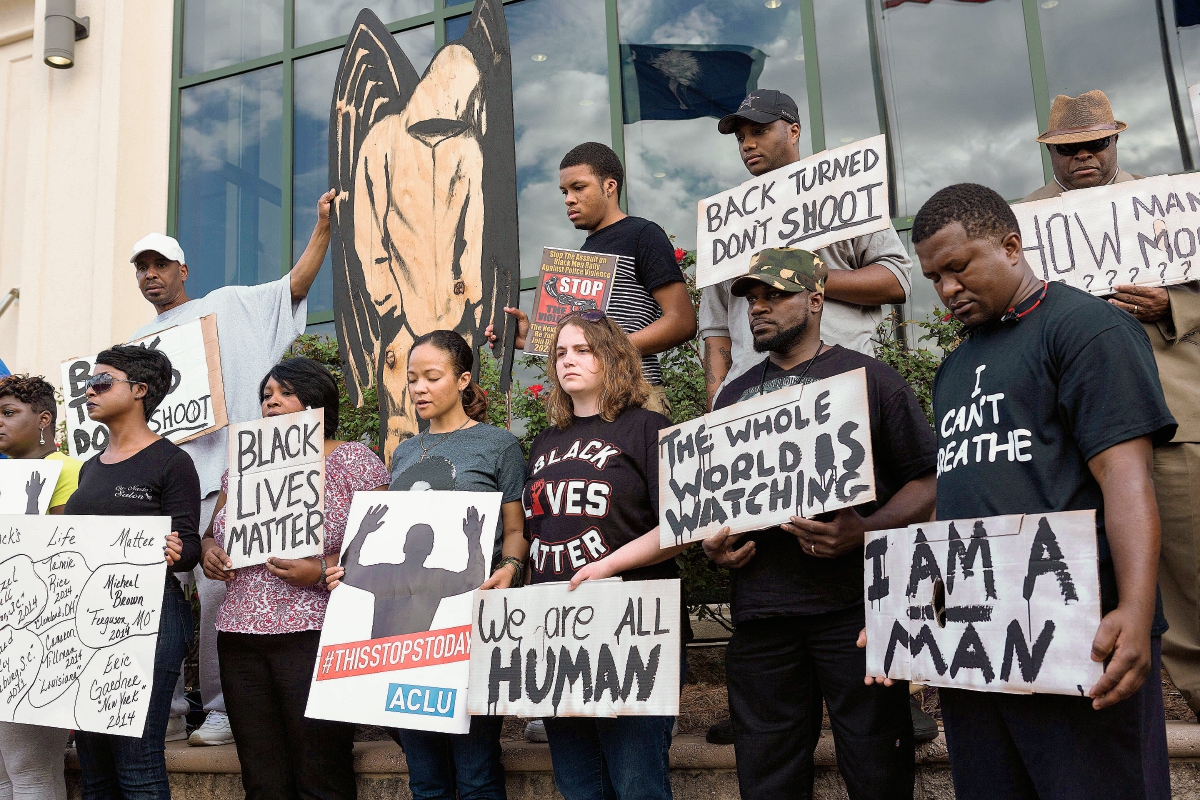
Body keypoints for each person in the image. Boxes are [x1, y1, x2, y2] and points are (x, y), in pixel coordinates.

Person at [905, 183, 1174, 798]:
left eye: (958, 267)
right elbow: (958, 502)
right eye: (934, 278)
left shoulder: (1087, 329)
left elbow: (1126, 478)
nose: (947, 290)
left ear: (1010, 246)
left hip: (1081, 632)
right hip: (982, 647)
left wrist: (1133, 609)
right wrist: (913, 608)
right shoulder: (954, 367)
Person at [699, 248, 934, 799]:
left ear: (816, 299)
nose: (759, 308)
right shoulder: (731, 396)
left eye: (775, 295)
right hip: (760, 617)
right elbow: (717, 505)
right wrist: (715, 546)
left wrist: (865, 529)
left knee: (879, 767)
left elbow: (929, 482)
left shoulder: (871, 378)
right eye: (752, 298)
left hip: (852, 611)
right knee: (767, 777)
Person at [128, 190, 335, 745]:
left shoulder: (226, 306)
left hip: (227, 480)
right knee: (150, 596)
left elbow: (294, 287)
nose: (150, 275)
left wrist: (321, 230)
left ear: (182, 270)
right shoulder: (131, 349)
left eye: (159, 265)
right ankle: (163, 709)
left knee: (222, 592)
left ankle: (218, 709)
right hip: (157, 492)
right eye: (141, 268)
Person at [1023, 89, 1200, 720]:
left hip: (1171, 422)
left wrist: (1172, 305)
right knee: (1088, 581)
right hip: (1074, 433)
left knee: (1191, 586)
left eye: (1095, 144)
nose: (1083, 158)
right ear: (1052, 154)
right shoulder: (1026, 227)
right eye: (1068, 150)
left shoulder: (1166, 204)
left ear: (1115, 142)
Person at [330, 329, 527, 800]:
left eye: (431, 377)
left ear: (462, 380)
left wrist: (511, 568)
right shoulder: (403, 452)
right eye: (411, 378)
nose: (418, 388)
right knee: (425, 778)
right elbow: (387, 539)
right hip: (402, 644)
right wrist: (348, 569)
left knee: (476, 771)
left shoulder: (498, 445)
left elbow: (516, 529)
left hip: (468, 626)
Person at [199, 357, 388, 800]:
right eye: (266, 397)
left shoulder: (352, 459)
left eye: (284, 393)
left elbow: (382, 549)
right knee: (262, 778)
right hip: (239, 635)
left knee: (319, 772)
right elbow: (212, 531)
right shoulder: (245, 462)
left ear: (316, 400)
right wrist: (210, 553)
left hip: (315, 632)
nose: (272, 403)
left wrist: (319, 568)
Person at [521, 311, 688, 800]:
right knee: (578, 784)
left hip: (631, 625)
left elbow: (681, 527)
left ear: (612, 356)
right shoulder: (545, 442)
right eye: (559, 353)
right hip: (557, 630)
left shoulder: (648, 428)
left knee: (638, 782)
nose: (567, 360)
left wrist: (607, 566)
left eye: (582, 350)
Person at [699, 89, 912, 406]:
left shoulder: (841, 189)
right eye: (740, 137)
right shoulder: (728, 220)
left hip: (842, 387)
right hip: (751, 402)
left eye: (759, 131)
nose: (748, 144)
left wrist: (802, 273)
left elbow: (897, 280)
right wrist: (717, 403)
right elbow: (716, 325)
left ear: (793, 131)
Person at [64, 345, 201, 799]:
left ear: (139, 391)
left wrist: (176, 549)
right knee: (93, 763)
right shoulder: (88, 468)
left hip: (150, 616)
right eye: (88, 382)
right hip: (86, 619)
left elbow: (190, 547)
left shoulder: (171, 461)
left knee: (137, 756)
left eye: (102, 382)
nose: (90, 391)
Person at [485, 143, 696, 417]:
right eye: (564, 192)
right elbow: (584, 340)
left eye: (578, 187)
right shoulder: (581, 256)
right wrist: (532, 337)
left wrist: (609, 348)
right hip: (584, 406)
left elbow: (682, 321)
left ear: (610, 186)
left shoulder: (643, 234)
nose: (568, 199)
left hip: (635, 395)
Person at [0, 374, 83, 799]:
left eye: (9, 413)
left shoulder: (68, 469)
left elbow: (69, 552)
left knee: (30, 769)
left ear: (45, 419)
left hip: (38, 635)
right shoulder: (6, 477)